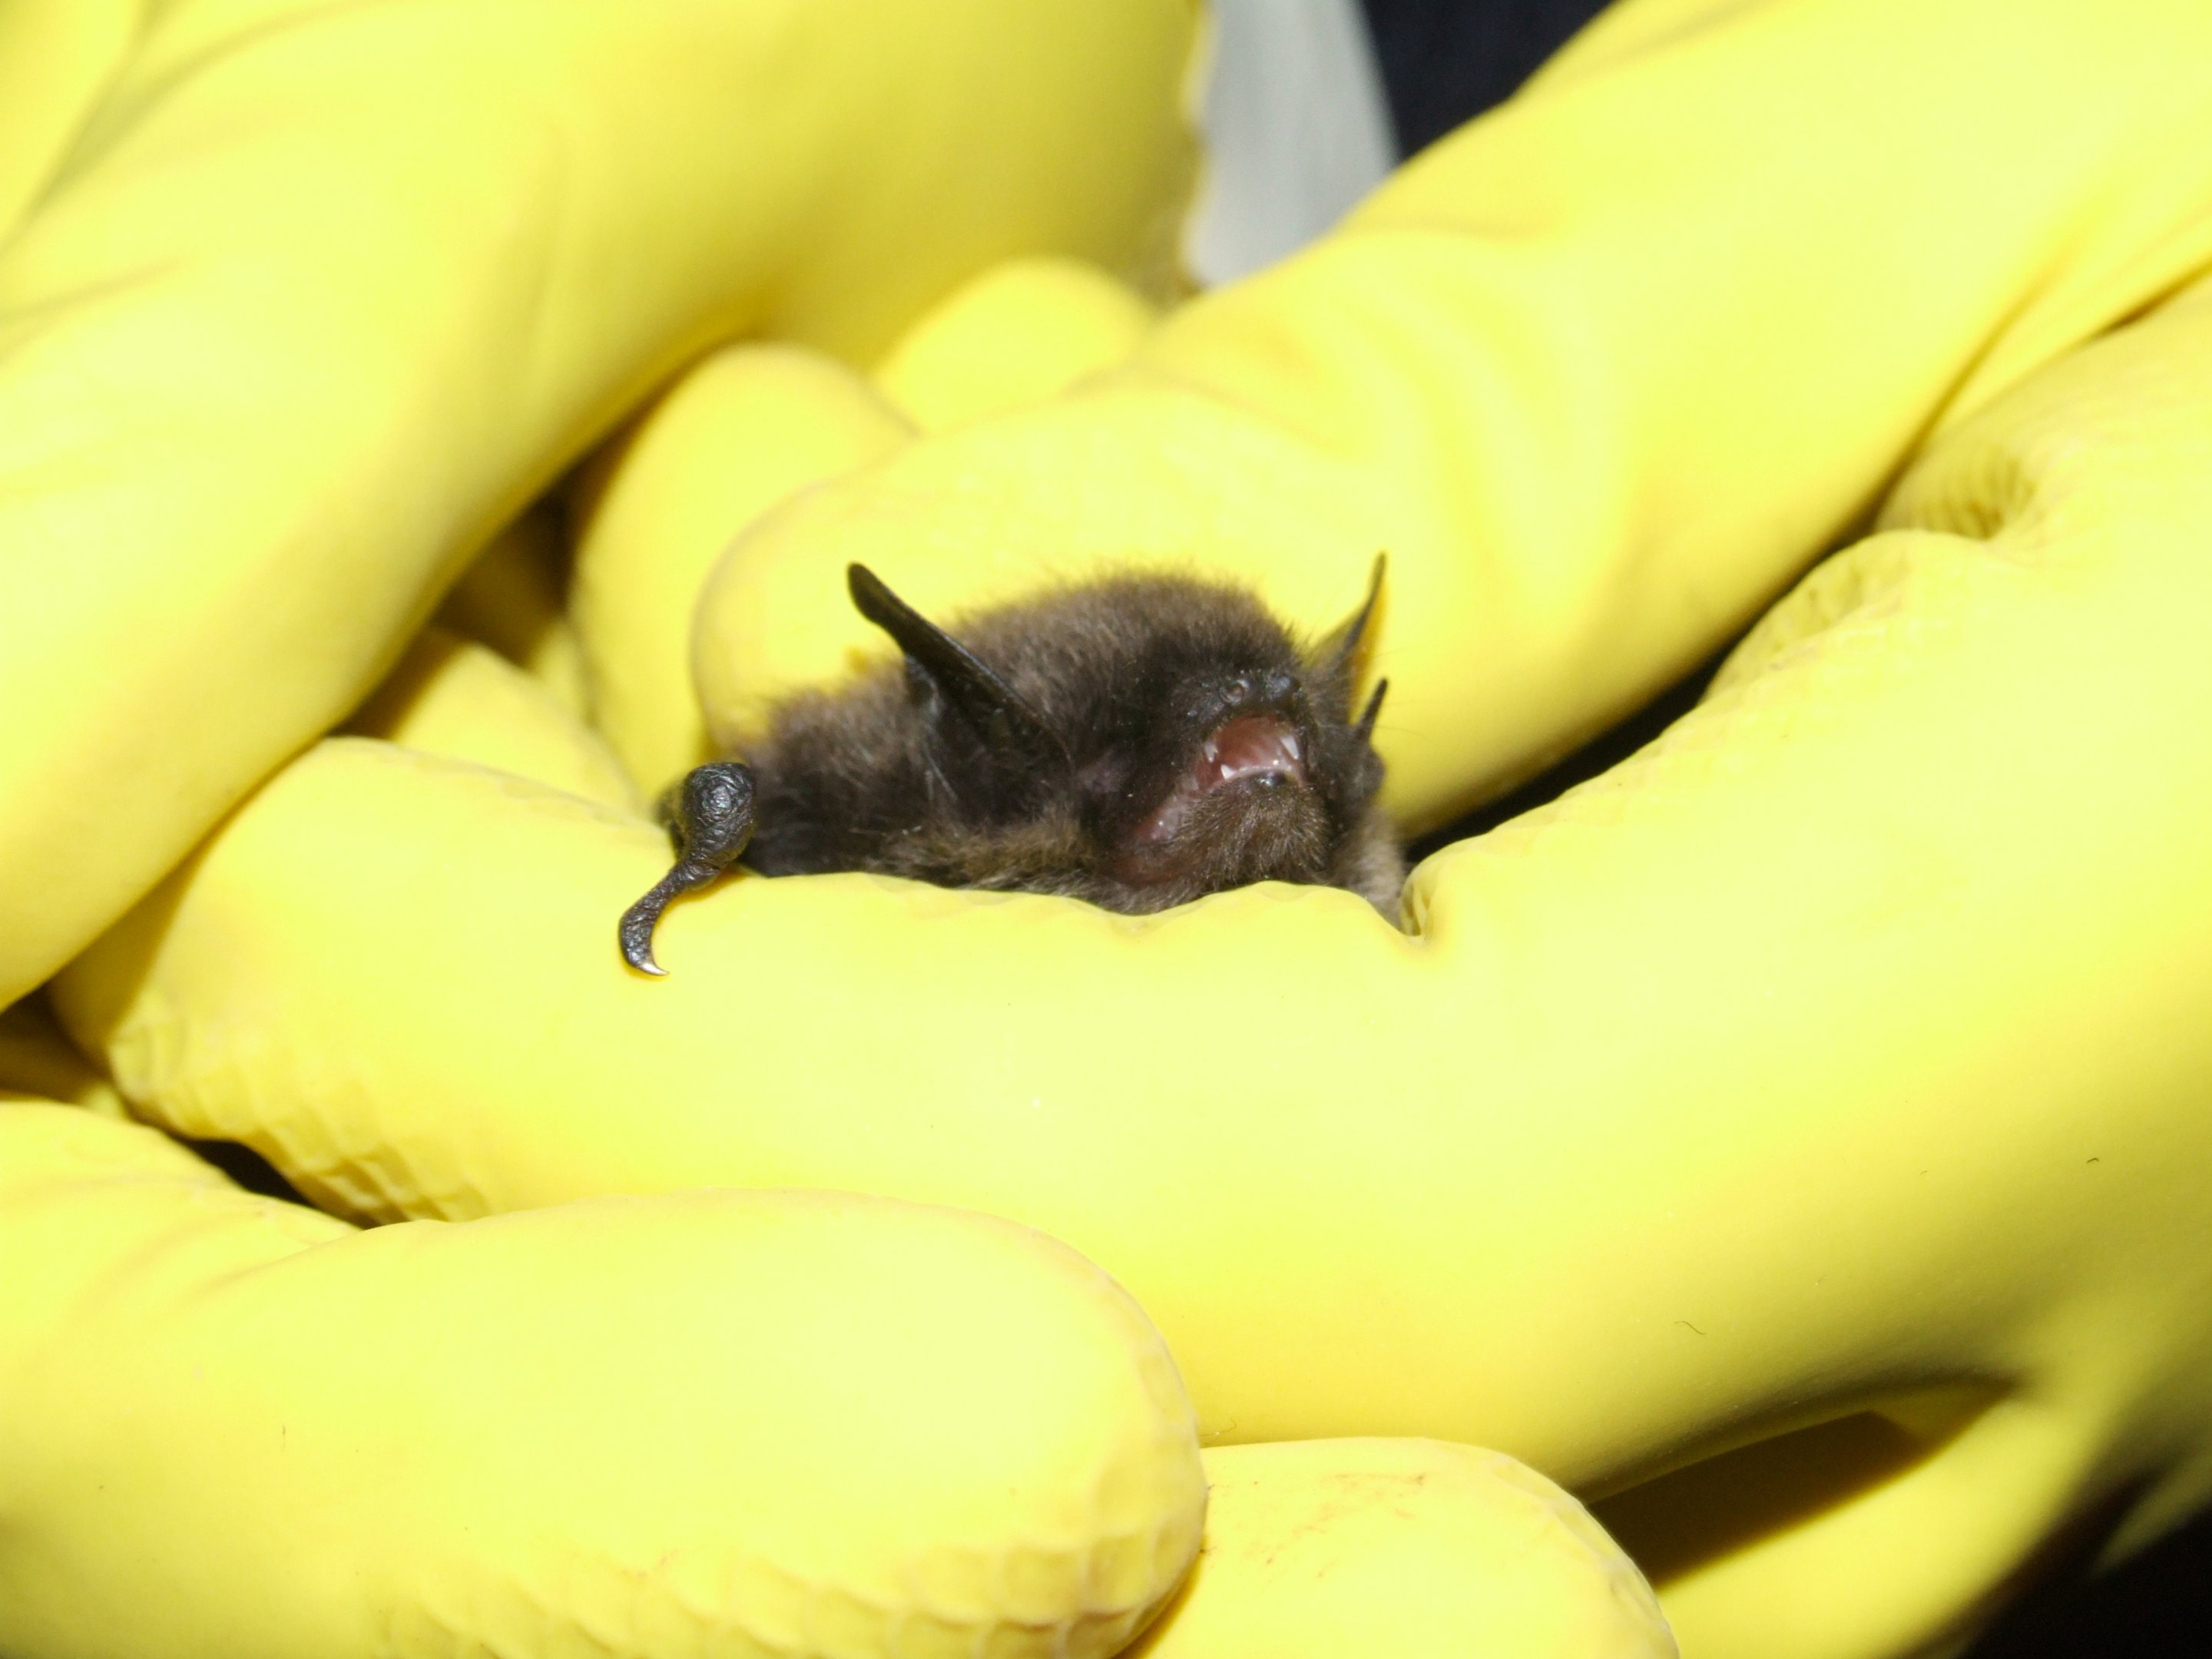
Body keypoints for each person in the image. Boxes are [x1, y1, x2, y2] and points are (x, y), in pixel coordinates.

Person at [5, 2, 2212, 1654]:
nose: (1257, 783)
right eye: (1219, 775)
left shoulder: (1350, 791)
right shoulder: (922, 779)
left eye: (1295, 762)